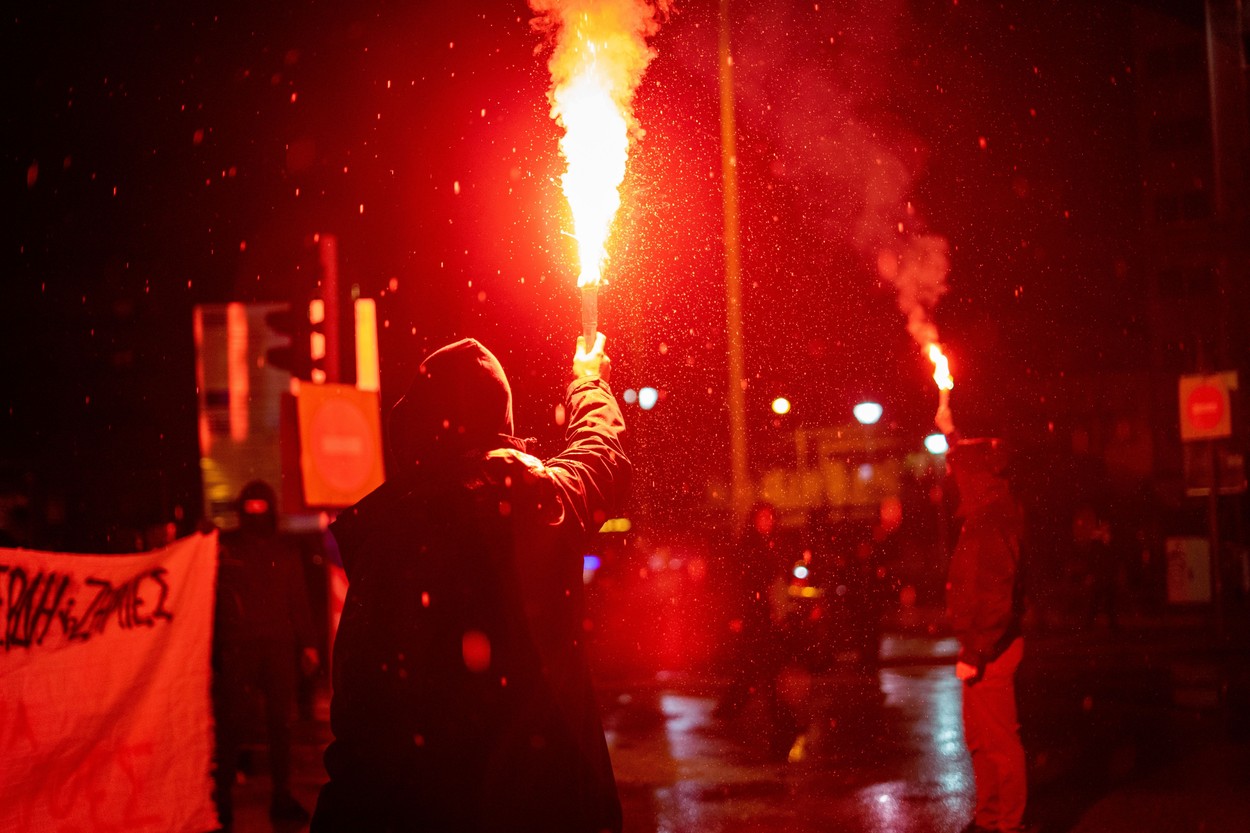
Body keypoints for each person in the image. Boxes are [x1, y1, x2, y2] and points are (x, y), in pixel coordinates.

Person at [311, 334, 631, 833]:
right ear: (498, 419)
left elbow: (361, 729)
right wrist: (589, 384)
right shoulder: (538, 502)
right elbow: (598, 455)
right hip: (550, 809)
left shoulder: (390, 538)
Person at [937, 405, 1028, 833]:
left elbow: (995, 596)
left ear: (978, 477)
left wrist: (975, 652)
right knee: (981, 741)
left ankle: (1006, 824)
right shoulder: (986, 508)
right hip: (981, 645)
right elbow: (968, 461)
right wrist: (951, 430)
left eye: (961, 472)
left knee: (998, 742)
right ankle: (991, 818)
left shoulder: (993, 519)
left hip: (991, 647)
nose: (955, 478)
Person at [213, 480, 321, 827]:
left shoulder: (280, 551)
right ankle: (224, 799)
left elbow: (297, 599)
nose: (256, 515)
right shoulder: (227, 550)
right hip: (242, 648)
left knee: (280, 727)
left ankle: (279, 795)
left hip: (274, 648)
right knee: (232, 727)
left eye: (261, 509)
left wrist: (307, 643)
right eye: (251, 509)